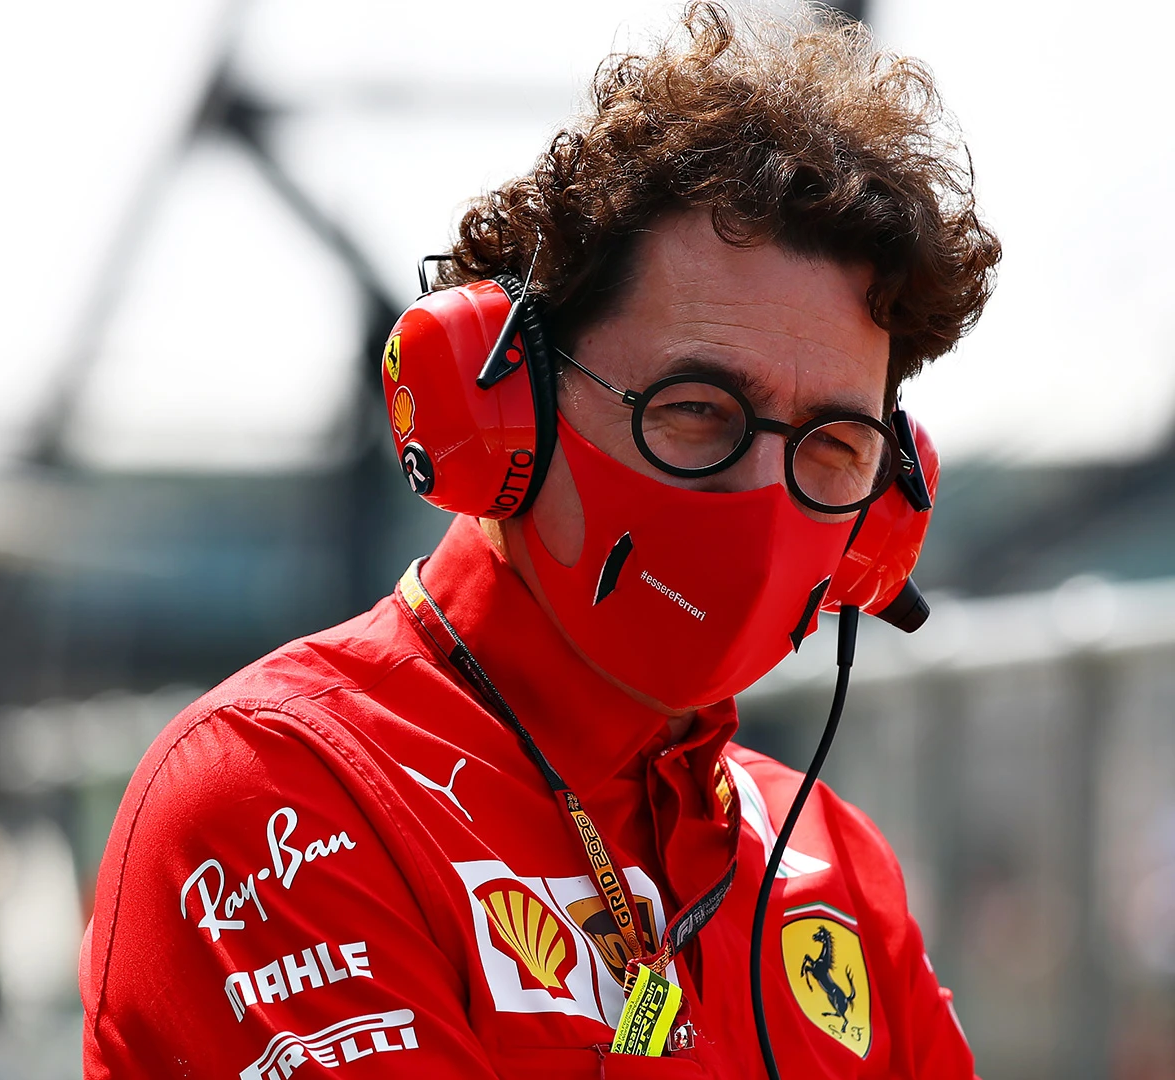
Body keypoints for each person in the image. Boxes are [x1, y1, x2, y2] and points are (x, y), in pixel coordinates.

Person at [80, 4, 999, 1077]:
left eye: (833, 446)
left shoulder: (834, 865)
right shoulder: (280, 796)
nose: (763, 498)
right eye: (697, 410)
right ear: (514, 411)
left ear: (884, 513)